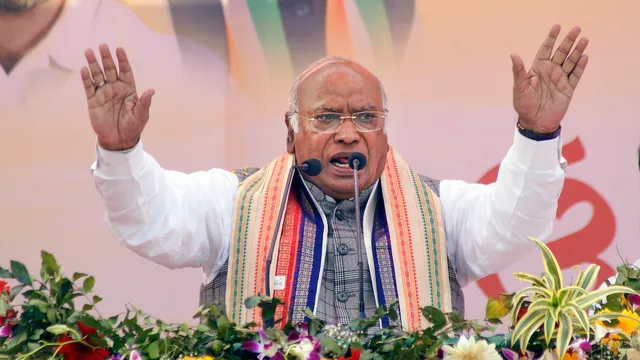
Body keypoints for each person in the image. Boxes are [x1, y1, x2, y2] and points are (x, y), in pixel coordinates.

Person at [86, 24, 589, 329]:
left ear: (385, 133)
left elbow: (514, 221)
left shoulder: (439, 208)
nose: (349, 134)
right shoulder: (233, 202)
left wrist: (537, 134)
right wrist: (120, 149)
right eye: (327, 118)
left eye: (366, 117)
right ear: (291, 133)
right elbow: (150, 222)